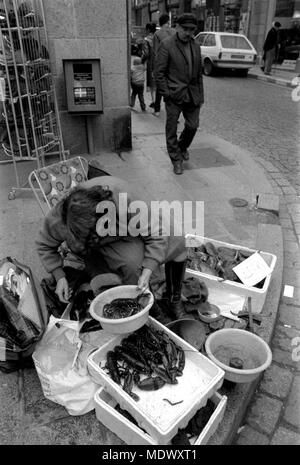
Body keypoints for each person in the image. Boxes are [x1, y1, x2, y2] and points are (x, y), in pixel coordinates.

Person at [36, 176, 189, 320]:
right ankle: (148, 308)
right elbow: (44, 245)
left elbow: (156, 233)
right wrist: (59, 276)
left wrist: (148, 269)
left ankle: (173, 299)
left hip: (121, 235)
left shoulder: (124, 199)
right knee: (132, 266)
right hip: (87, 250)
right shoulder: (60, 217)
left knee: (178, 240)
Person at [155, 13, 204, 175]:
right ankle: (176, 159)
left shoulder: (196, 45)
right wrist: (166, 93)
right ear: (177, 27)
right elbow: (159, 72)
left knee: (193, 125)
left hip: (192, 94)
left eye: (192, 30)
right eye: (186, 29)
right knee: (171, 129)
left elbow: (198, 74)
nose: (189, 33)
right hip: (174, 95)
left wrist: (200, 95)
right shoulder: (167, 45)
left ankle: (182, 147)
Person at [152, 13, 176, 117]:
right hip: (174, 64)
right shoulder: (174, 32)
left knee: (159, 87)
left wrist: (155, 68)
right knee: (173, 87)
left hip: (162, 64)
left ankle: (157, 110)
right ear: (168, 22)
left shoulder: (157, 34)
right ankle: (174, 112)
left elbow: (156, 52)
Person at [141, 22, 156, 108]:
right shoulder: (157, 38)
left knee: (151, 82)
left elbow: (146, 53)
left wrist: (142, 61)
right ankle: (157, 101)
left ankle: (154, 101)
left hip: (151, 62)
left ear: (148, 29)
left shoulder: (146, 40)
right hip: (160, 61)